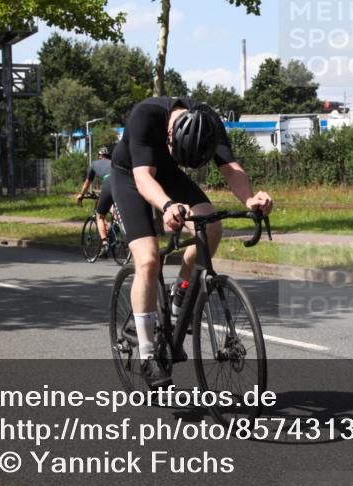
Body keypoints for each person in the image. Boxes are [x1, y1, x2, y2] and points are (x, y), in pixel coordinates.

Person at [111, 96, 273, 389]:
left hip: (169, 176)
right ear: (170, 137)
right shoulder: (145, 115)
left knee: (211, 226)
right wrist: (167, 206)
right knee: (148, 259)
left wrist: (250, 200)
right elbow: (144, 179)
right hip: (131, 176)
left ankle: (180, 295)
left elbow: (230, 169)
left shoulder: (208, 121)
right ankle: (148, 355)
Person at [76, 146, 114, 258]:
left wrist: (81, 195)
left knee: (100, 216)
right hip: (121, 183)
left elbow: (87, 182)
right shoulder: (114, 163)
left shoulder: (94, 164)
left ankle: (105, 244)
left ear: (99, 156)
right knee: (114, 210)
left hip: (108, 184)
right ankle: (117, 228)